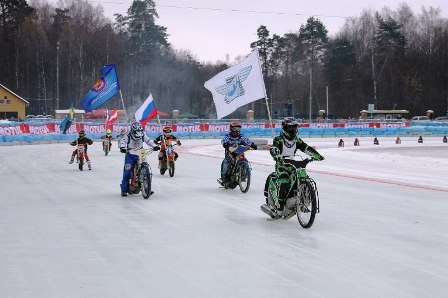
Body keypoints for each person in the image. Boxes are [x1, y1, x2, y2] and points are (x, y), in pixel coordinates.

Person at [265, 117, 324, 209]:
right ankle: (279, 203)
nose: (293, 130)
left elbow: (306, 148)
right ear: (285, 128)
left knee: (304, 177)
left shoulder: (297, 140)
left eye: (295, 128)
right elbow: (274, 148)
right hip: (281, 165)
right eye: (290, 128)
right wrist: (276, 155)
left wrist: (317, 155)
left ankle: (304, 200)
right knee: (284, 178)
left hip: (293, 163)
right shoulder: (278, 139)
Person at [119, 122, 160, 197]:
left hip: (141, 153)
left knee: (146, 169)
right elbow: (122, 141)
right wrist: (122, 148)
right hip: (130, 154)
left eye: (139, 131)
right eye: (136, 132)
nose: (138, 133)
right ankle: (124, 190)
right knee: (127, 172)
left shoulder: (143, 134)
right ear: (132, 131)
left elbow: (148, 141)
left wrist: (155, 146)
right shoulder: (127, 135)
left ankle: (147, 187)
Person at [217, 121, 257, 186]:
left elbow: (247, 141)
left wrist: (252, 145)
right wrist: (226, 144)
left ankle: (244, 173)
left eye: (238, 129)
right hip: (230, 152)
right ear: (231, 129)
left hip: (240, 152)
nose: (236, 130)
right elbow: (223, 141)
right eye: (235, 129)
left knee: (244, 160)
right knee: (228, 162)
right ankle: (225, 177)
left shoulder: (241, 137)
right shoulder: (228, 136)